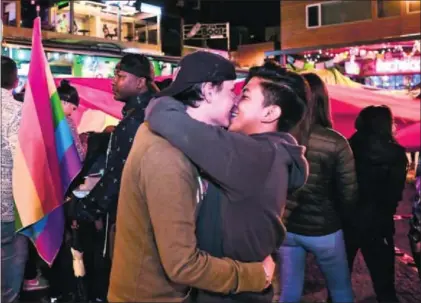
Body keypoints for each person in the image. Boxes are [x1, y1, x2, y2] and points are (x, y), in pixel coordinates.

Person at [109, 52, 277, 302]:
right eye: (231, 91)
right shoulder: (167, 155)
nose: (234, 101)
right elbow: (182, 265)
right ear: (209, 90)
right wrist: (255, 275)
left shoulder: (184, 141)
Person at [143, 58, 310, 303]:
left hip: (229, 294)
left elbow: (161, 114)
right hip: (241, 289)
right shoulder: (274, 153)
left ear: (270, 112)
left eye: (244, 96)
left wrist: (181, 86)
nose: (233, 102)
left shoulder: (252, 155)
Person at [67, 54, 158, 300]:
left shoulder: (136, 121)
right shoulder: (146, 113)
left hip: (134, 217)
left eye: (120, 76)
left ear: (140, 82)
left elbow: (118, 178)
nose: (112, 81)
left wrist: (84, 209)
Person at [277, 73, 357, 303]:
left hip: (287, 227)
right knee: (340, 290)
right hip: (325, 229)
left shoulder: (280, 136)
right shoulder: (336, 141)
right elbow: (349, 194)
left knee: (289, 291)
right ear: (323, 100)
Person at [347, 105, 408, 303]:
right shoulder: (396, 154)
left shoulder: (347, 148)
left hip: (348, 221)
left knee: (338, 281)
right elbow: (394, 193)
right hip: (379, 224)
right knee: (385, 286)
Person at [1, 56, 28, 303]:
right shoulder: (18, 112)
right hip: (7, 206)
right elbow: (22, 156)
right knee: (7, 288)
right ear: (15, 82)